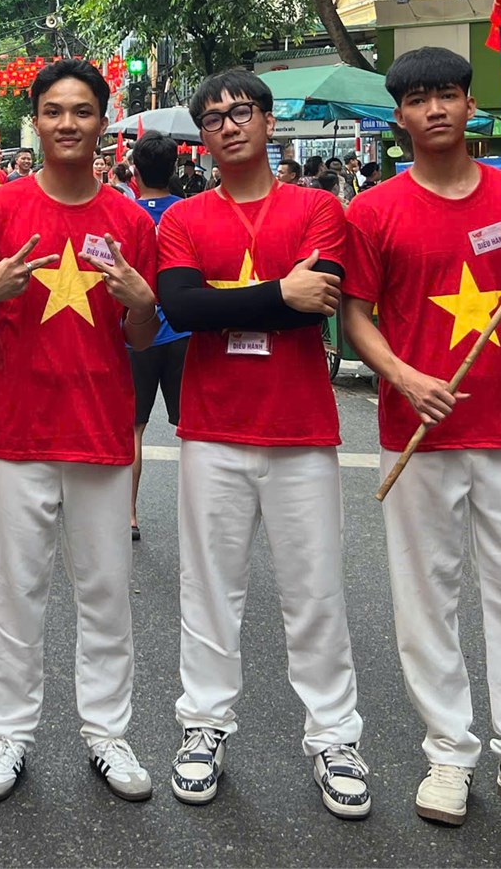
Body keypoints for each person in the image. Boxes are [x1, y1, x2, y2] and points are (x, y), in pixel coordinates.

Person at [341, 47, 501, 838]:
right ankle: (449, 750)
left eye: (447, 95)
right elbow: (354, 316)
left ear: (469, 104)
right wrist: (405, 378)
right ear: (401, 117)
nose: (435, 110)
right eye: (418, 100)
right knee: (427, 598)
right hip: (416, 433)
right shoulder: (373, 211)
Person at [153, 71, 367, 816]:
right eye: (212, 119)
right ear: (200, 137)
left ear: (268, 122)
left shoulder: (318, 207)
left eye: (241, 112)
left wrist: (232, 303)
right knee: (209, 590)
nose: (228, 126)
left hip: (302, 430)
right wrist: (280, 293)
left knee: (315, 593)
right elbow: (181, 309)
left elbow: (322, 302)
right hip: (211, 429)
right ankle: (203, 726)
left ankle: (335, 737)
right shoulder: (181, 219)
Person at [0, 59, 161, 804]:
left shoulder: (134, 221)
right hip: (16, 432)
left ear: (103, 121)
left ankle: (107, 732)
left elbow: (141, 338)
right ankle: (9, 733)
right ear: (34, 121)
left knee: (106, 591)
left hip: (103, 432)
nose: (67, 123)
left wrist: (141, 303)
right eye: (53, 111)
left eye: (81, 110)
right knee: (15, 591)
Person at [125, 131, 187, 541]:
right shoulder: (190, 214)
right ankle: (200, 515)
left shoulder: (124, 217)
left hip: (135, 332)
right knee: (192, 431)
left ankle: (127, 513)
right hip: (183, 332)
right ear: (175, 169)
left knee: (132, 428)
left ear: (134, 171)